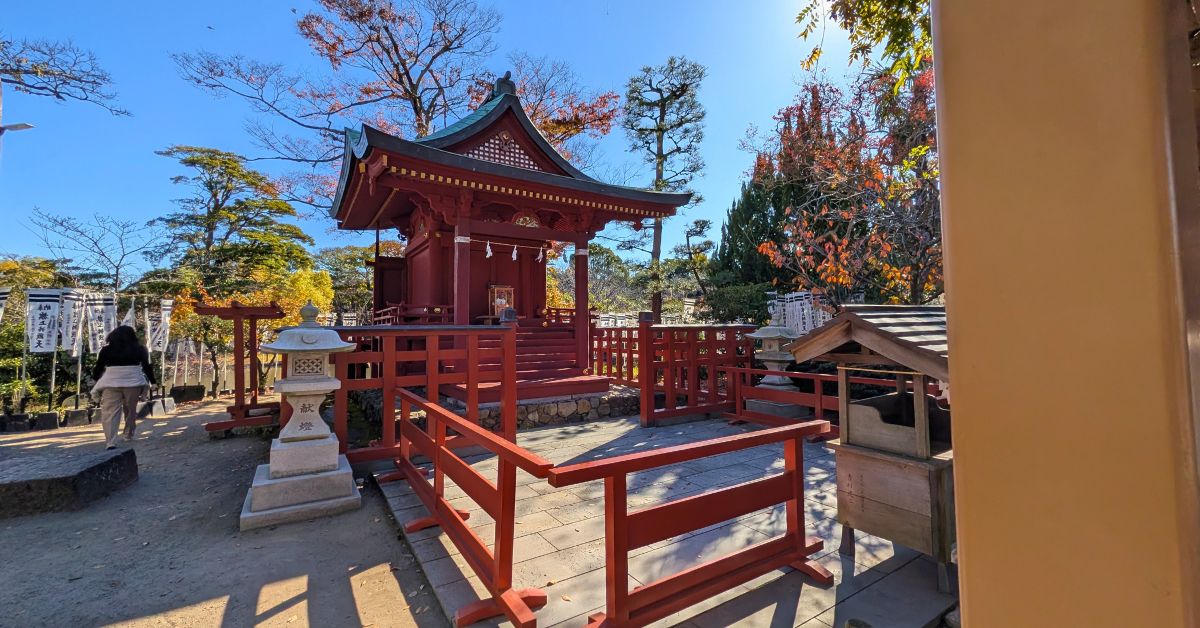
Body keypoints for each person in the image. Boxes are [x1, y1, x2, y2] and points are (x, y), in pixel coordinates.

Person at [91, 325, 156, 450]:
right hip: (133, 382)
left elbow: (99, 367)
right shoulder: (140, 349)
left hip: (110, 383)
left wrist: (95, 380)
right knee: (130, 410)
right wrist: (153, 382)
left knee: (110, 412)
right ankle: (128, 434)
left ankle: (110, 441)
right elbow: (147, 366)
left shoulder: (106, 350)